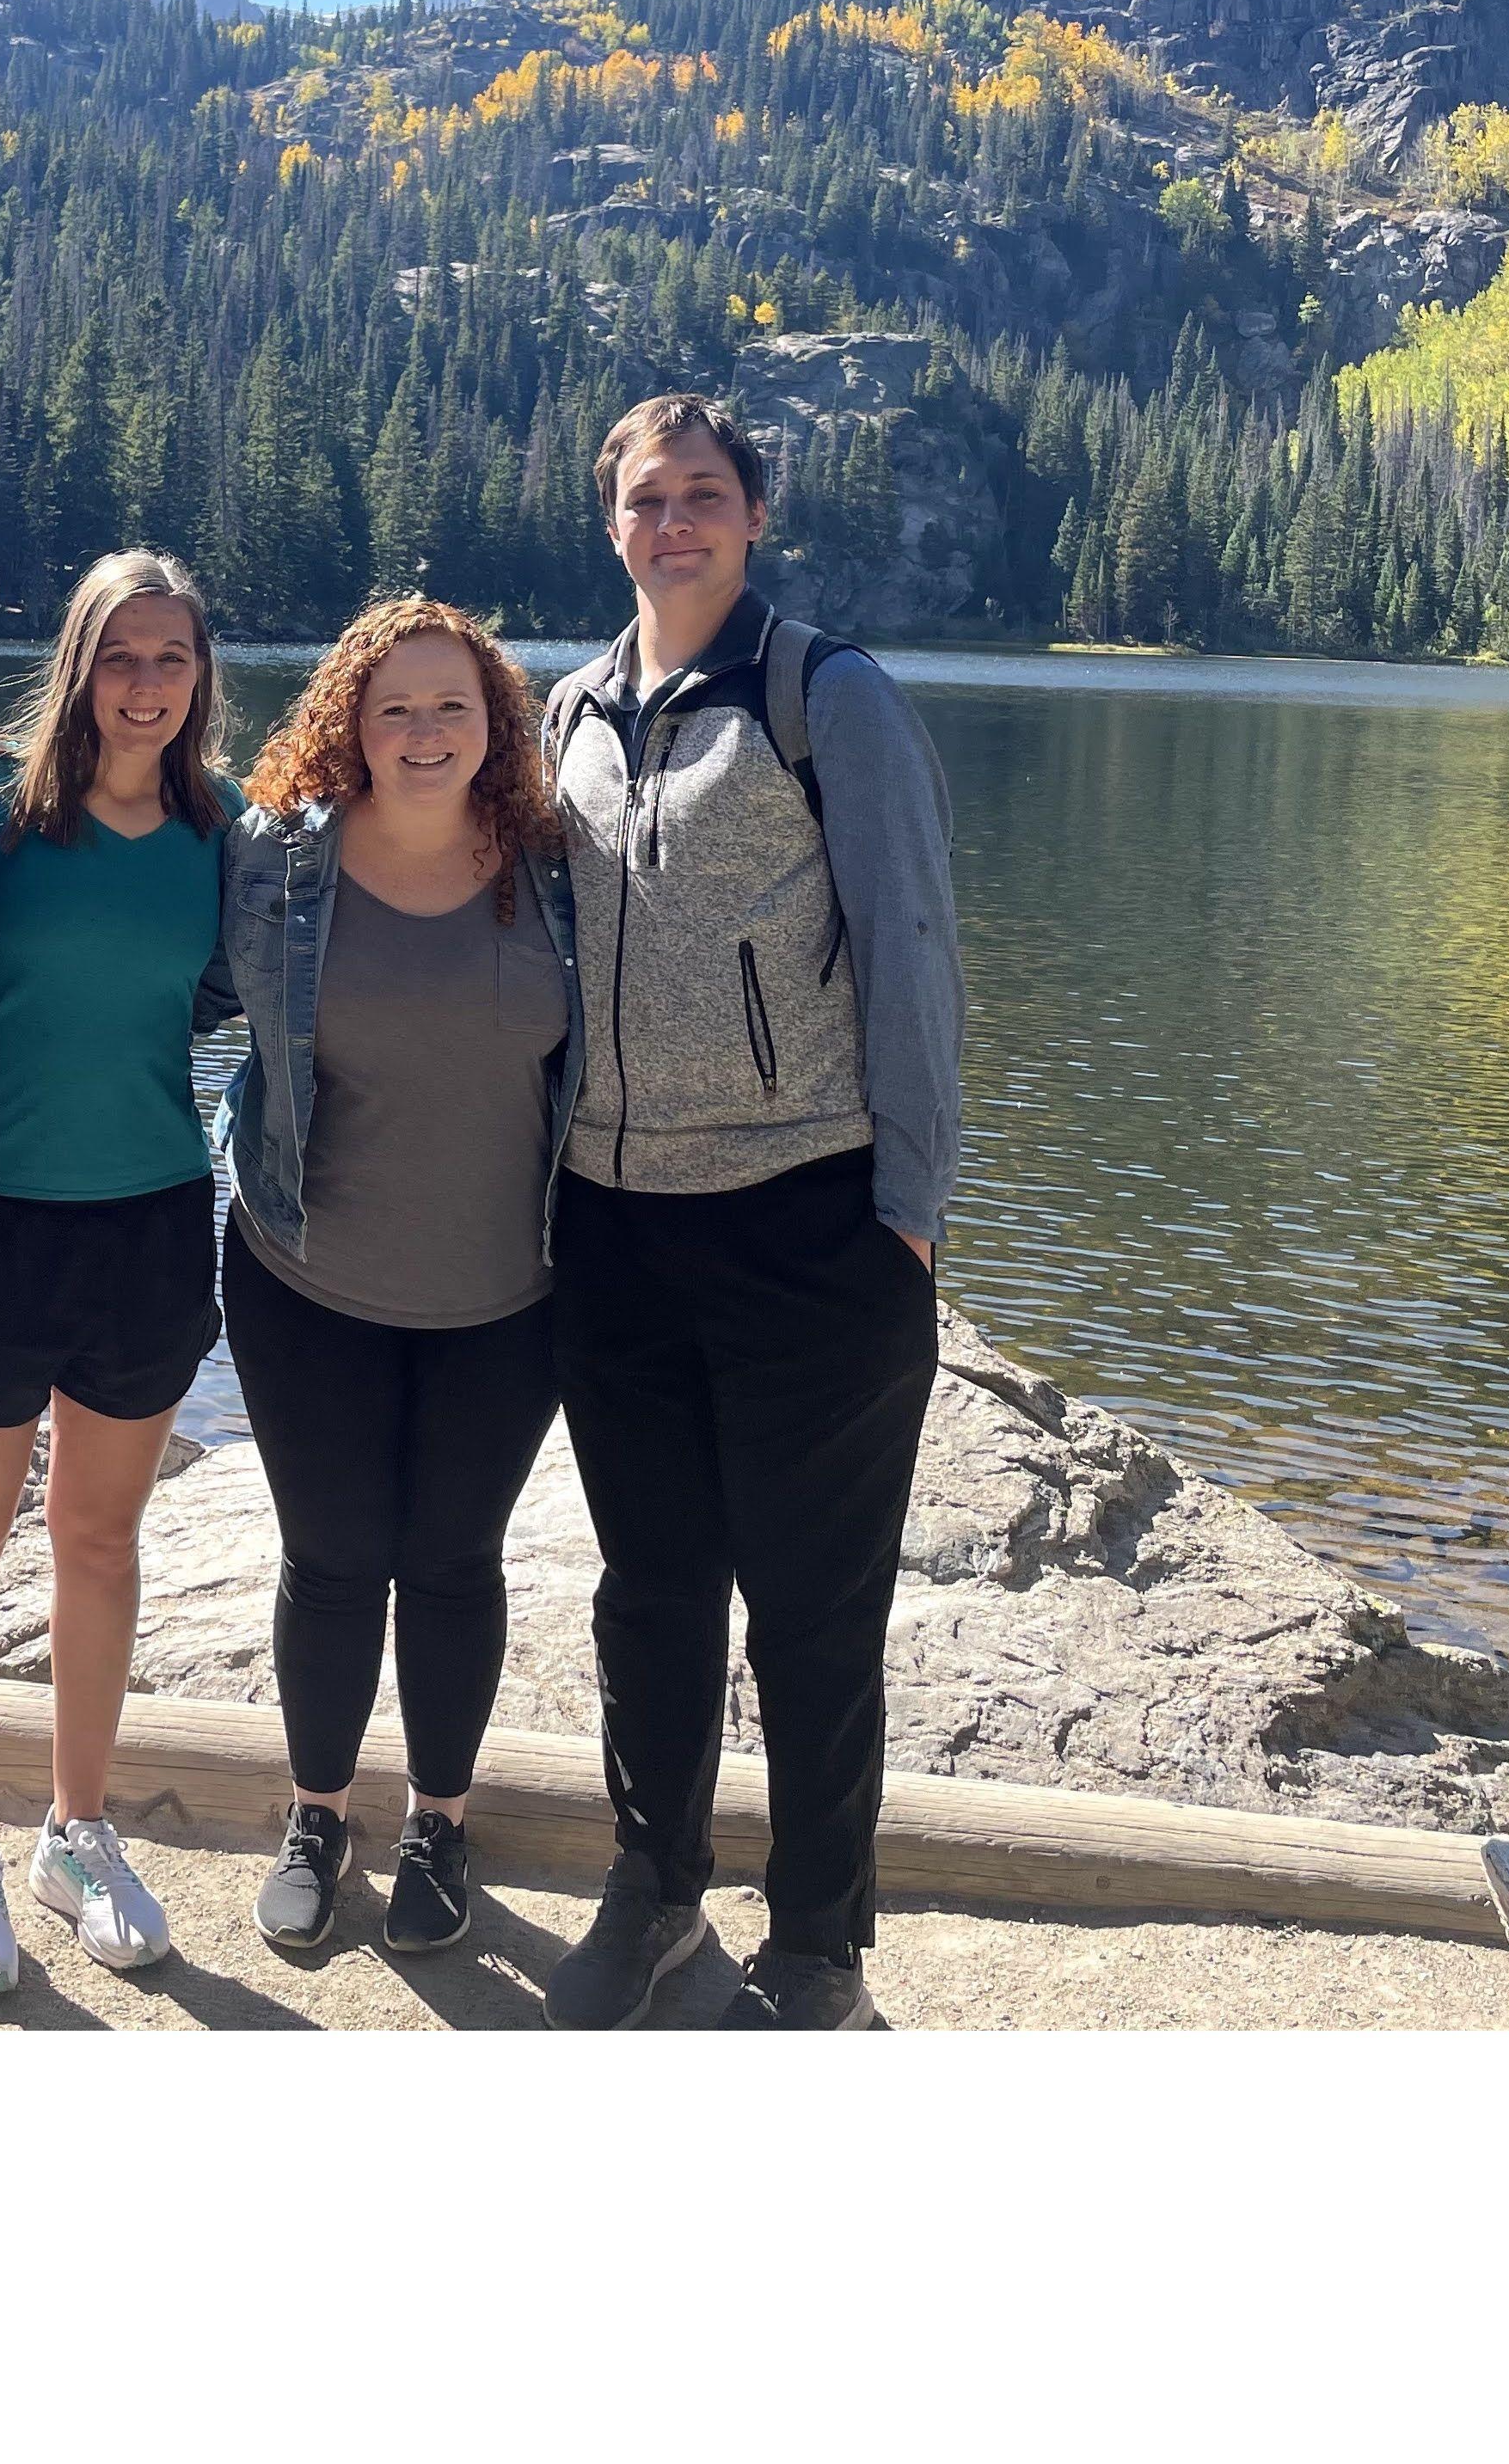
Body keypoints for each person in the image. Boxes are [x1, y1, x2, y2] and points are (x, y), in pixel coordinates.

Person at [535, 392, 962, 2032]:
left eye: (704, 495)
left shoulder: (823, 696)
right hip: (617, 1231)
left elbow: (913, 946)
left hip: (809, 1219)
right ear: (613, 522)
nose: (675, 523)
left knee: (813, 1603)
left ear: (753, 517)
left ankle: (818, 1948)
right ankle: (654, 1895)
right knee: (649, 1587)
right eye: (648, 499)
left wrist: (906, 1210)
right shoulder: (566, 711)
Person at [214, 597, 583, 1958]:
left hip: (512, 1294)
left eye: (451, 707)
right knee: (330, 1561)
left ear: (495, 725)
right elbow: (165, 980)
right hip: (304, 1272)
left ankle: (439, 1821)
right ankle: (319, 1815)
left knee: (450, 1562)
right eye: (394, 709)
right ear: (346, 728)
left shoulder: (557, 865)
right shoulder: (276, 863)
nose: (423, 733)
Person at [0, 551, 237, 1994]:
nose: (146, 687)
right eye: (122, 656)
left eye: (173, 660)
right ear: (79, 663)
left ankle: (76, 1829)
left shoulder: (225, 834)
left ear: (202, 679)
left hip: (148, 1224)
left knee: (100, 1546)